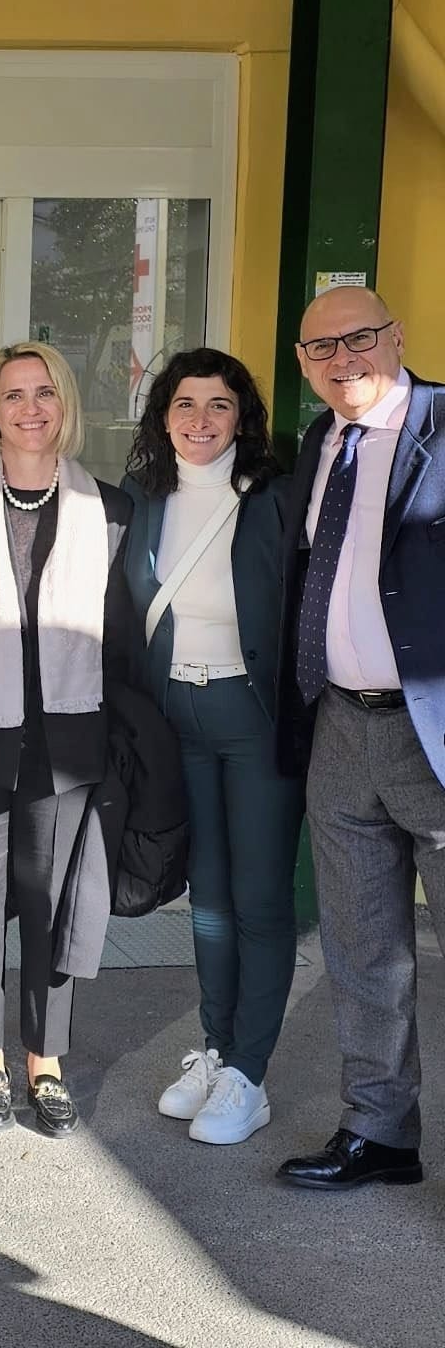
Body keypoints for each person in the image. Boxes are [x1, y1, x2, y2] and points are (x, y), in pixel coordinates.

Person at [0, 343, 135, 1139]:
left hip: (69, 735)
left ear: (65, 404)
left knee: (50, 901)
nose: (30, 408)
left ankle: (46, 1060)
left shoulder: (110, 511)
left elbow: (123, 640)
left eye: (45, 393)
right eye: (13, 395)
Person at [274, 286, 445, 1191]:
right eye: (321, 347)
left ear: (397, 337)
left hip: (434, 732)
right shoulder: (322, 442)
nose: (343, 359)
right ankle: (379, 1132)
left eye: (360, 338)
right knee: (362, 948)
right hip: (340, 726)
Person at [121, 349, 303, 1145]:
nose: (201, 420)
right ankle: (218, 1049)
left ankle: (249, 1076)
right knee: (209, 902)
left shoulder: (276, 497)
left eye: (219, 405)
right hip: (176, 721)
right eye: (185, 405)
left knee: (259, 900)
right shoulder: (142, 497)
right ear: (163, 417)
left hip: (252, 717)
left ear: (242, 418)